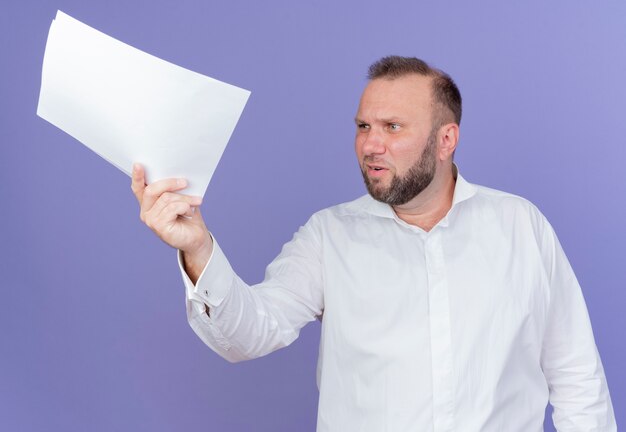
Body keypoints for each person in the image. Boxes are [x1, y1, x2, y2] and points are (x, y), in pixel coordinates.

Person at [131, 56, 616, 431]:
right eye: (364, 126)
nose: (370, 145)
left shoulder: (521, 226)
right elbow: (249, 334)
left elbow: (576, 376)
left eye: (393, 127)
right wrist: (197, 249)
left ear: (446, 140)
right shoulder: (329, 235)